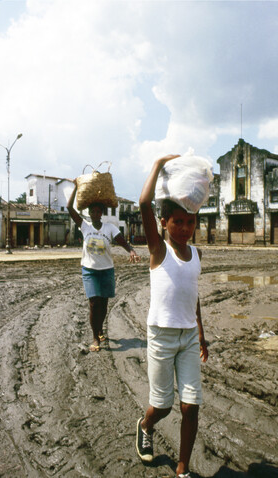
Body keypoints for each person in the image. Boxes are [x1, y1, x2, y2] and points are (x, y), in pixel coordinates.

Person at [136, 154, 209, 478]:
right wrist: (157, 165)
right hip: (162, 336)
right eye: (177, 222)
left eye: (190, 222)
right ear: (164, 223)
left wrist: (202, 333)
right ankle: (145, 425)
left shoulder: (197, 254)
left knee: (190, 405)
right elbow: (143, 202)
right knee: (163, 406)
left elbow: (193, 298)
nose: (184, 228)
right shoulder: (158, 249)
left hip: (189, 338)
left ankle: (182, 469)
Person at [67, 184, 140, 352]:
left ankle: (100, 329)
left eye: (98, 212)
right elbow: (69, 208)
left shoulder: (110, 228)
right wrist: (75, 188)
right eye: (92, 211)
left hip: (107, 270)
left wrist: (131, 250)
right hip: (90, 271)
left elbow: (122, 240)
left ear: (101, 213)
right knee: (94, 303)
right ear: (89, 213)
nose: (95, 214)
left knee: (103, 305)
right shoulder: (85, 226)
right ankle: (95, 337)